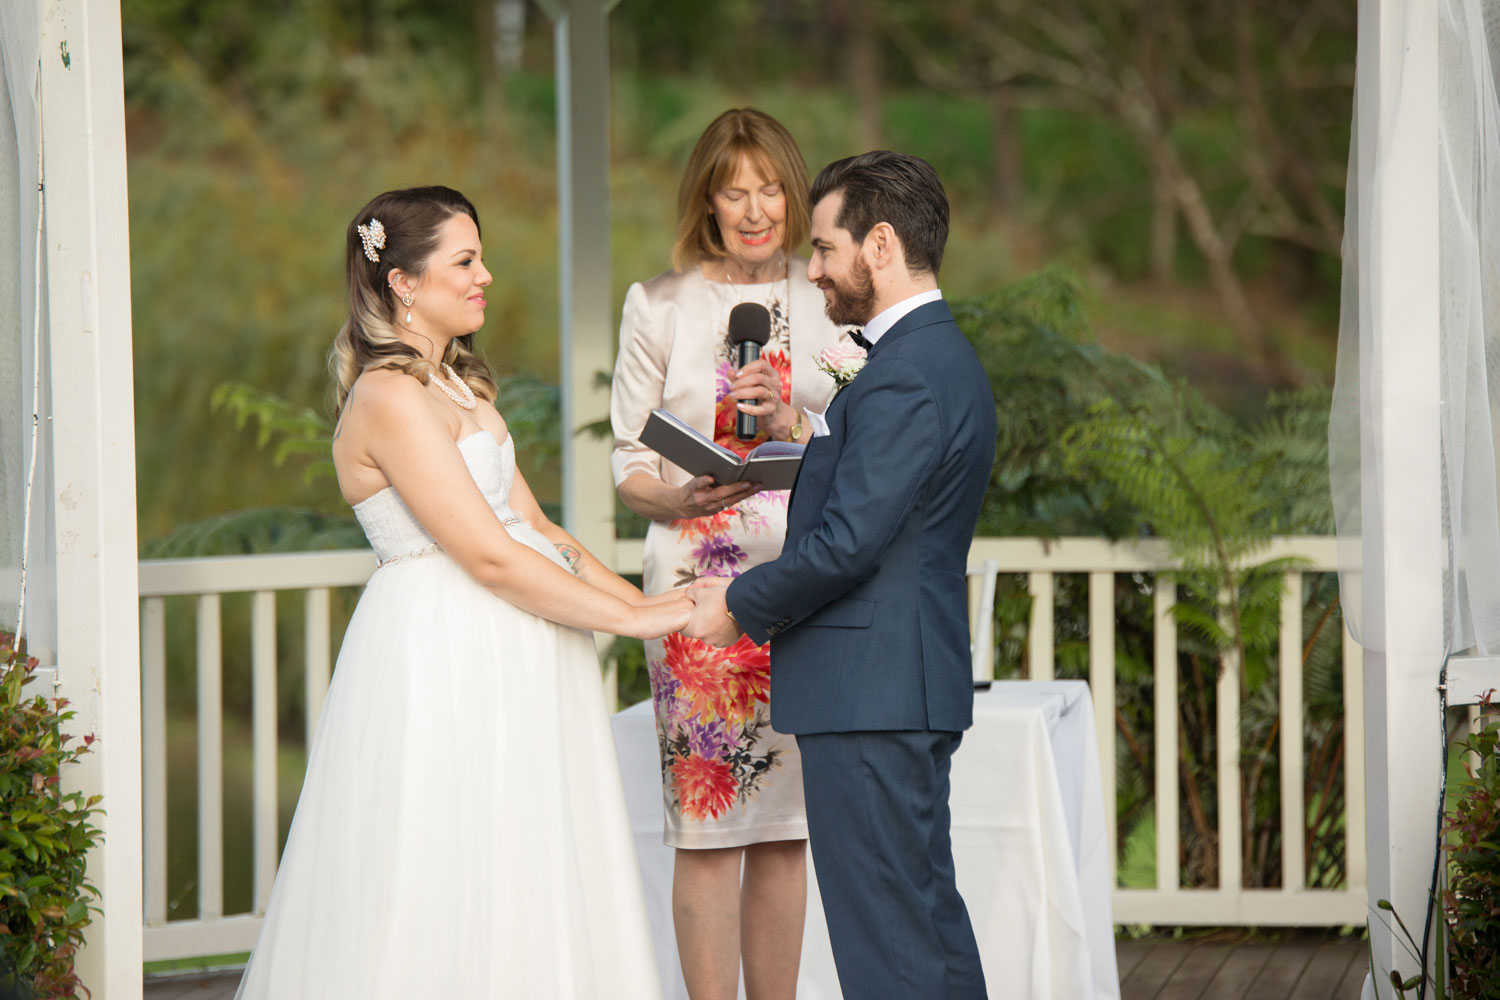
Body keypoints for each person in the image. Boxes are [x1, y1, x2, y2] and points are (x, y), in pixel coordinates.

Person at [236, 185, 688, 999]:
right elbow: (487, 556)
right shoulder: (388, 397)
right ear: (403, 283)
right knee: (440, 856)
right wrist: (636, 619)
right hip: (443, 651)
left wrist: (660, 606)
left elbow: (539, 530)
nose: (486, 275)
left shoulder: (463, 390)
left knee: (523, 854)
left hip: (520, 646)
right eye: (466, 260)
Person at [685, 152, 997, 999]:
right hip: (888, 686)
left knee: (888, 945)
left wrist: (739, 604)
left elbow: (851, 543)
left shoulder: (904, 375)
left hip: (874, 691)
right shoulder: (921, 361)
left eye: (825, 248)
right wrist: (812, 427)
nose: (812, 268)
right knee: (919, 924)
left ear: (881, 244)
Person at [609, 109, 849, 999]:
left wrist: (801, 422)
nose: (754, 209)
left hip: (808, 579)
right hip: (694, 589)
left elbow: (865, 433)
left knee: (788, 826)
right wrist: (677, 494)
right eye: (733, 190)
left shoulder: (833, 301)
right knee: (709, 824)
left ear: (796, 194)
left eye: (771, 187)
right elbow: (628, 462)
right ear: (706, 202)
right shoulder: (659, 303)